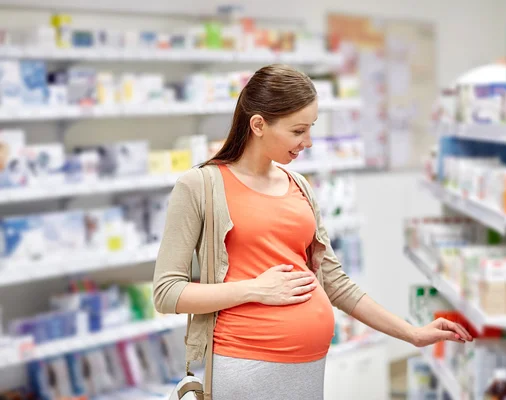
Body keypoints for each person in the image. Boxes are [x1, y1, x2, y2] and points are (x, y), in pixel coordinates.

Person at [153, 64, 472, 400]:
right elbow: (167, 293)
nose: (307, 142)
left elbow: (334, 281)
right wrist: (255, 289)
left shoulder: (299, 185)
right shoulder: (200, 186)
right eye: (298, 131)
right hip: (248, 364)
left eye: (311, 129)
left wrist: (412, 334)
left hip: (309, 366)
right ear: (258, 124)